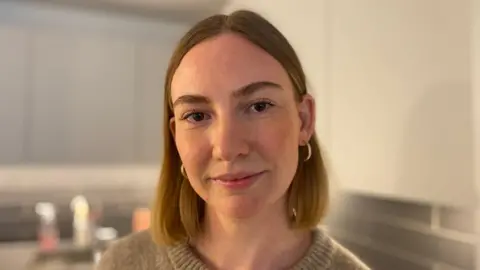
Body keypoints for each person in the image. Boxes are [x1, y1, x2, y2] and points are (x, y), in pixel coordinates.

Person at [96, 9, 369, 270]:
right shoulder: (122, 264)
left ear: (304, 120)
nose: (227, 148)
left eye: (259, 106)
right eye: (197, 116)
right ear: (175, 137)